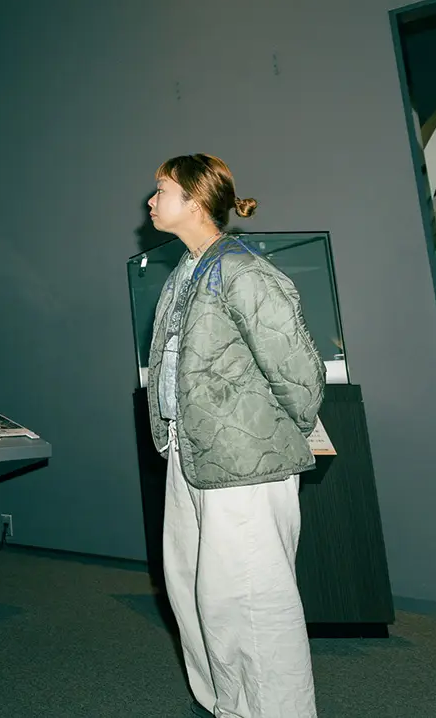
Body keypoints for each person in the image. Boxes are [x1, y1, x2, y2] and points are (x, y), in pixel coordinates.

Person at [145, 153, 324, 718]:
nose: (150, 201)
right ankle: (231, 704)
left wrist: (274, 437)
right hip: (189, 452)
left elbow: (299, 371)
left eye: (161, 190)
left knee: (251, 598)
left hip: (245, 461)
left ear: (195, 200)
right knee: (198, 589)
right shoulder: (183, 274)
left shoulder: (245, 271)